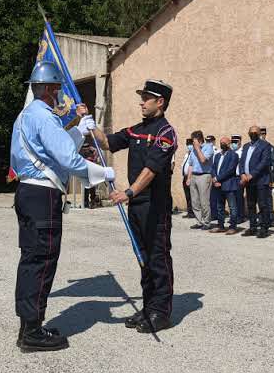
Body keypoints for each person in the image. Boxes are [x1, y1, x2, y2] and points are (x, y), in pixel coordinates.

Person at [10, 60, 114, 352]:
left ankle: (28, 326)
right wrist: (101, 173)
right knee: (42, 260)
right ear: (47, 89)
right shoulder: (45, 117)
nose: (58, 94)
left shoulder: (27, 116)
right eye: (56, 89)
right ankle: (32, 333)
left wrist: (79, 130)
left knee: (31, 260)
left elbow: (56, 148)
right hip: (42, 196)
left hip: (29, 192)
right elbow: (67, 159)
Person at [91, 79, 177, 334]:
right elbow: (108, 142)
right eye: (142, 97)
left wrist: (128, 192)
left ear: (160, 102)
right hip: (137, 205)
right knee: (143, 258)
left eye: (146, 98)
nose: (142, 102)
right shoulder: (137, 130)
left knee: (158, 258)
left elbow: (151, 170)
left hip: (155, 206)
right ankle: (148, 306)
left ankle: (161, 312)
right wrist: (89, 125)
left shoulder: (166, 133)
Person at [239, 126, 272, 238]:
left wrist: (252, 175)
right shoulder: (246, 146)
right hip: (248, 181)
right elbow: (242, 161)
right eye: (251, 132)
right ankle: (252, 227)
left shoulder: (265, 145)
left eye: (255, 132)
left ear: (259, 134)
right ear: (248, 134)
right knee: (251, 205)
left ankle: (264, 228)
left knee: (263, 205)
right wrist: (242, 174)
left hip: (261, 180)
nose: (253, 134)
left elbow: (264, 162)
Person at [209, 136, 241, 234]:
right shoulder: (217, 155)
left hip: (229, 185)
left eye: (224, 143)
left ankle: (233, 226)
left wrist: (217, 179)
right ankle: (221, 226)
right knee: (219, 207)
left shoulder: (234, 155)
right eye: (221, 142)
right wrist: (214, 179)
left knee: (232, 207)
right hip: (218, 185)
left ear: (229, 143)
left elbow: (230, 170)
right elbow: (213, 168)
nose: (222, 144)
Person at [187, 130, 214, 230]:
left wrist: (198, 148)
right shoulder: (193, 150)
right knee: (195, 201)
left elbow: (203, 160)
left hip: (204, 176)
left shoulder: (208, 147)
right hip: (194, 176)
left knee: (204, 201)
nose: (192, 142)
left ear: (199, 139)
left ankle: (207, 222)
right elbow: (190, 165)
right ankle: (199, 221)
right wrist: (188, 178)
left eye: (193, 140)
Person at [259, 126, 274, 229]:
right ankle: (261, 219)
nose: (261, 136)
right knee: (260, 200)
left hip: (267, 177)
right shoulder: (255, 147)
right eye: (260, 134)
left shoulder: (270, 147)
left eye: (263, 134)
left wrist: (273, 181)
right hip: (258, 178)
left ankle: (269, 219)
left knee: (268, 199)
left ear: (265, 135)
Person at [79, 139, 101, 208]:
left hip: (92, 171)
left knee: (92, 188)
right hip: (85, 172)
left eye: (86, 149)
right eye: (84, 149)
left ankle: (93, 202)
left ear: (89, 148)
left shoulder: (93, 151)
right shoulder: (82, 153)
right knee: (85, 188)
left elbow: (96, 160)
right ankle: (85, 202)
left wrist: (93, 156)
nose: (85, 151)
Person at [230, 134, 246, 226]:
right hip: (231, 177)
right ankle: (234, 216)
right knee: (232, 198)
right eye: (232, 142)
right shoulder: (231, 152)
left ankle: (240, 216)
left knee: (239, 197)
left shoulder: (242, 152)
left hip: (239, 177)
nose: (233, 144)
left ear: (240, 142)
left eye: (235, 142)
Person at [180, 138, 195, 218]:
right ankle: (190, 212)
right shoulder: (187, 154)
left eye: (190, 144)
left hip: (191, 177)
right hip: (185, 177)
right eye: (187, 144)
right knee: (188, 196)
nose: (189, 146)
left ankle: (194, 212)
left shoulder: (194, 154)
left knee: (192, 196)